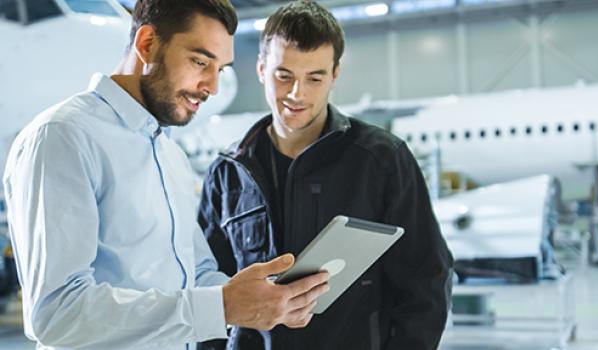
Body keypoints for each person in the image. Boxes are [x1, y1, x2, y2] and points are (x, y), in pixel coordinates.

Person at [2, 1, 330, 349]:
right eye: (201, 62)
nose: (212, 86)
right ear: (146, 44)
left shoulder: (169, 153)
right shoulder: (64, 136)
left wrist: (263, 299)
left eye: (220, 68)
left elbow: (195, 273)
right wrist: (221, 306)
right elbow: (57, 313)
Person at [197, 1, 454, 349]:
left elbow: (426, 281)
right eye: (283, 75)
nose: (296, 94)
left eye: (314, 78)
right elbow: (209, 293)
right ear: (260, 69)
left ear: (334, 75)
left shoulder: (381, 160)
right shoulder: (228, 173)